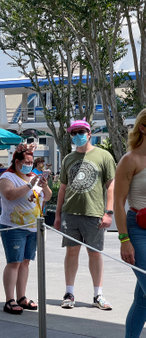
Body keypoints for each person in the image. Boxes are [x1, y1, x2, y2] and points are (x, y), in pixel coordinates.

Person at [54, 119, 116, 310]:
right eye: (74, 133)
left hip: (94, 213)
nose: (77, 135)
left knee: (94, 253)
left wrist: (109, 212)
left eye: (81, 132)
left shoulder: (103, 156)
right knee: (71, 252)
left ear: (89, 133)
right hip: (70, 212)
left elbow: (111, 186)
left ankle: (98, 295)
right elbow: (63, 188)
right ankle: (69, 293)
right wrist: (57, 215)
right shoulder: (68, 159)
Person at [0, 143, 52, 314]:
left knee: (25, 262)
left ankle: (21, 297)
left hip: (33, 227)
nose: (29, 164)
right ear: (16, 161)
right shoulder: (7, 177)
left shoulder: (32, 176)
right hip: (13, 226)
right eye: (26, 161)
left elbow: (47, 197)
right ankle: (9, 299)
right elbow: (9, 194)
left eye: (31, 161)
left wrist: (43, 185)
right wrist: (29, 186)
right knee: (14, 262)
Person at [113, 108, 146, 337]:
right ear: (143, 128)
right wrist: (124, 239)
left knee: (142, 299)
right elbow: (118, 202)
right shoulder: (130, 159)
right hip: (138, 228)